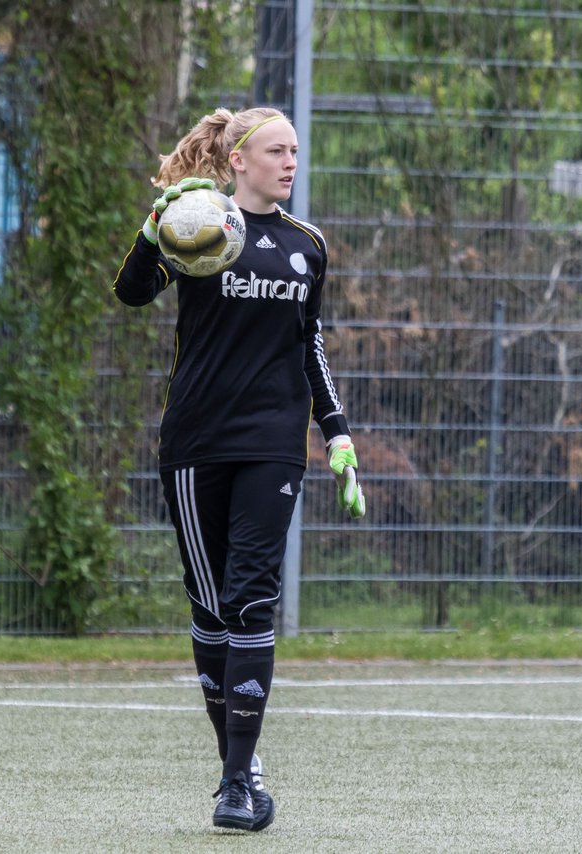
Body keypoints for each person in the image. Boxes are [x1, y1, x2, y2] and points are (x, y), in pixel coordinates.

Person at [112, 106, 365, 832]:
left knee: (253, 599)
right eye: (276, 150)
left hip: (273, 444)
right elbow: (131, 293)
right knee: (211, 605)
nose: (289, 161)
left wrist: (337, 433)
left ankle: (231, 785)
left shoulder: (306, 244)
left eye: (295, 150)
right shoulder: (198, 225)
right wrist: (149, 227)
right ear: (237, 161)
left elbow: (308, 343)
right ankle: (243, 766)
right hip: (195, 441)